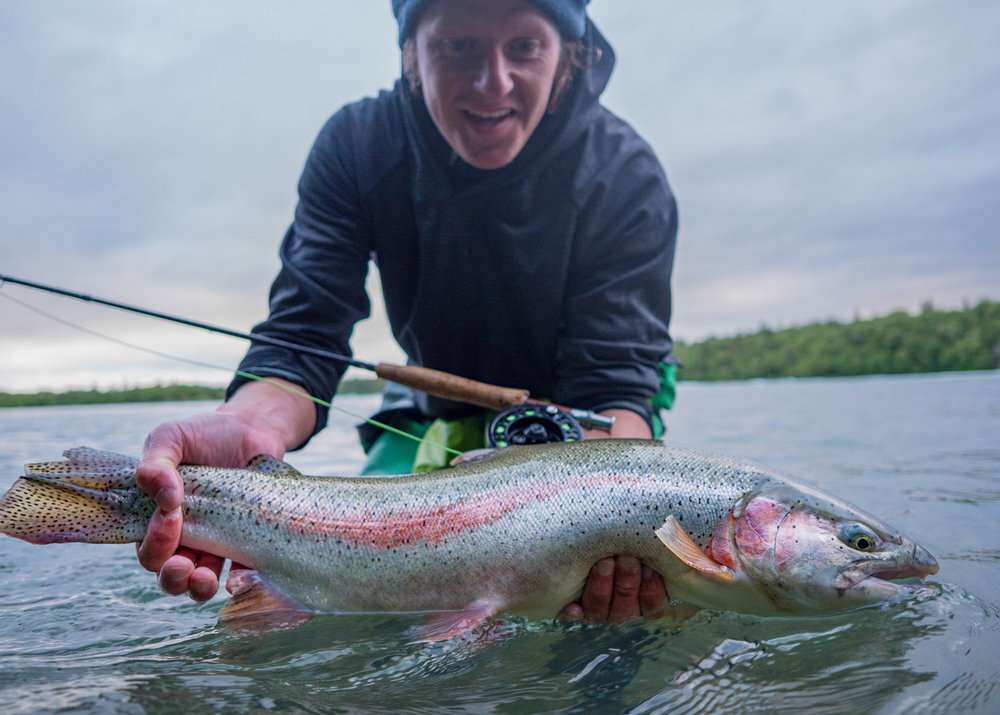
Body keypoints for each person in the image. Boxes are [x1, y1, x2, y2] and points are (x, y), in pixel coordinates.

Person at [136, 0, 679, 625]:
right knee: (347, 603)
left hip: (596, 423)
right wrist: (247, 422)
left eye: (523, 48)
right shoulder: (358, 144)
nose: (492, 82)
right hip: (430, 414)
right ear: (410, 55)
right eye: (458, 47)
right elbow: (304, 334)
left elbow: (615, 382)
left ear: (569, 56)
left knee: (617, 624)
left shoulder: (625, 173)